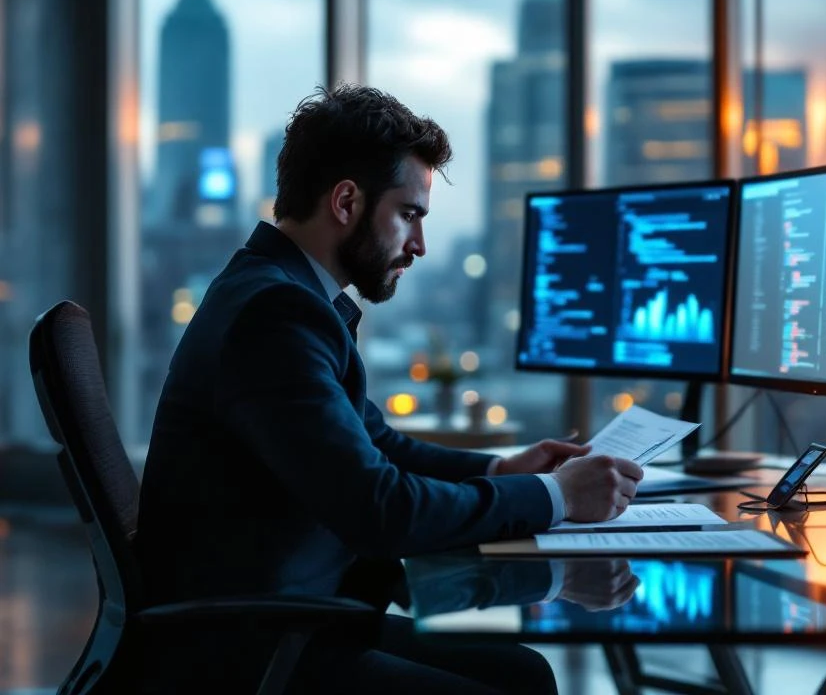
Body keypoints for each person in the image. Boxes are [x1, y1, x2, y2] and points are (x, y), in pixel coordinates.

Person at [135, 83, 644, 694]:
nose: (420, 245)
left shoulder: (280, 295)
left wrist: (504, 470)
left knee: (525, 673)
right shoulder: (275, 316)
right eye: (409, 214)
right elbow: (380, 509)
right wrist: (554, 496)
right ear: (346, 200)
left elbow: (380, 448)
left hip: (285, 619)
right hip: (251, 651)